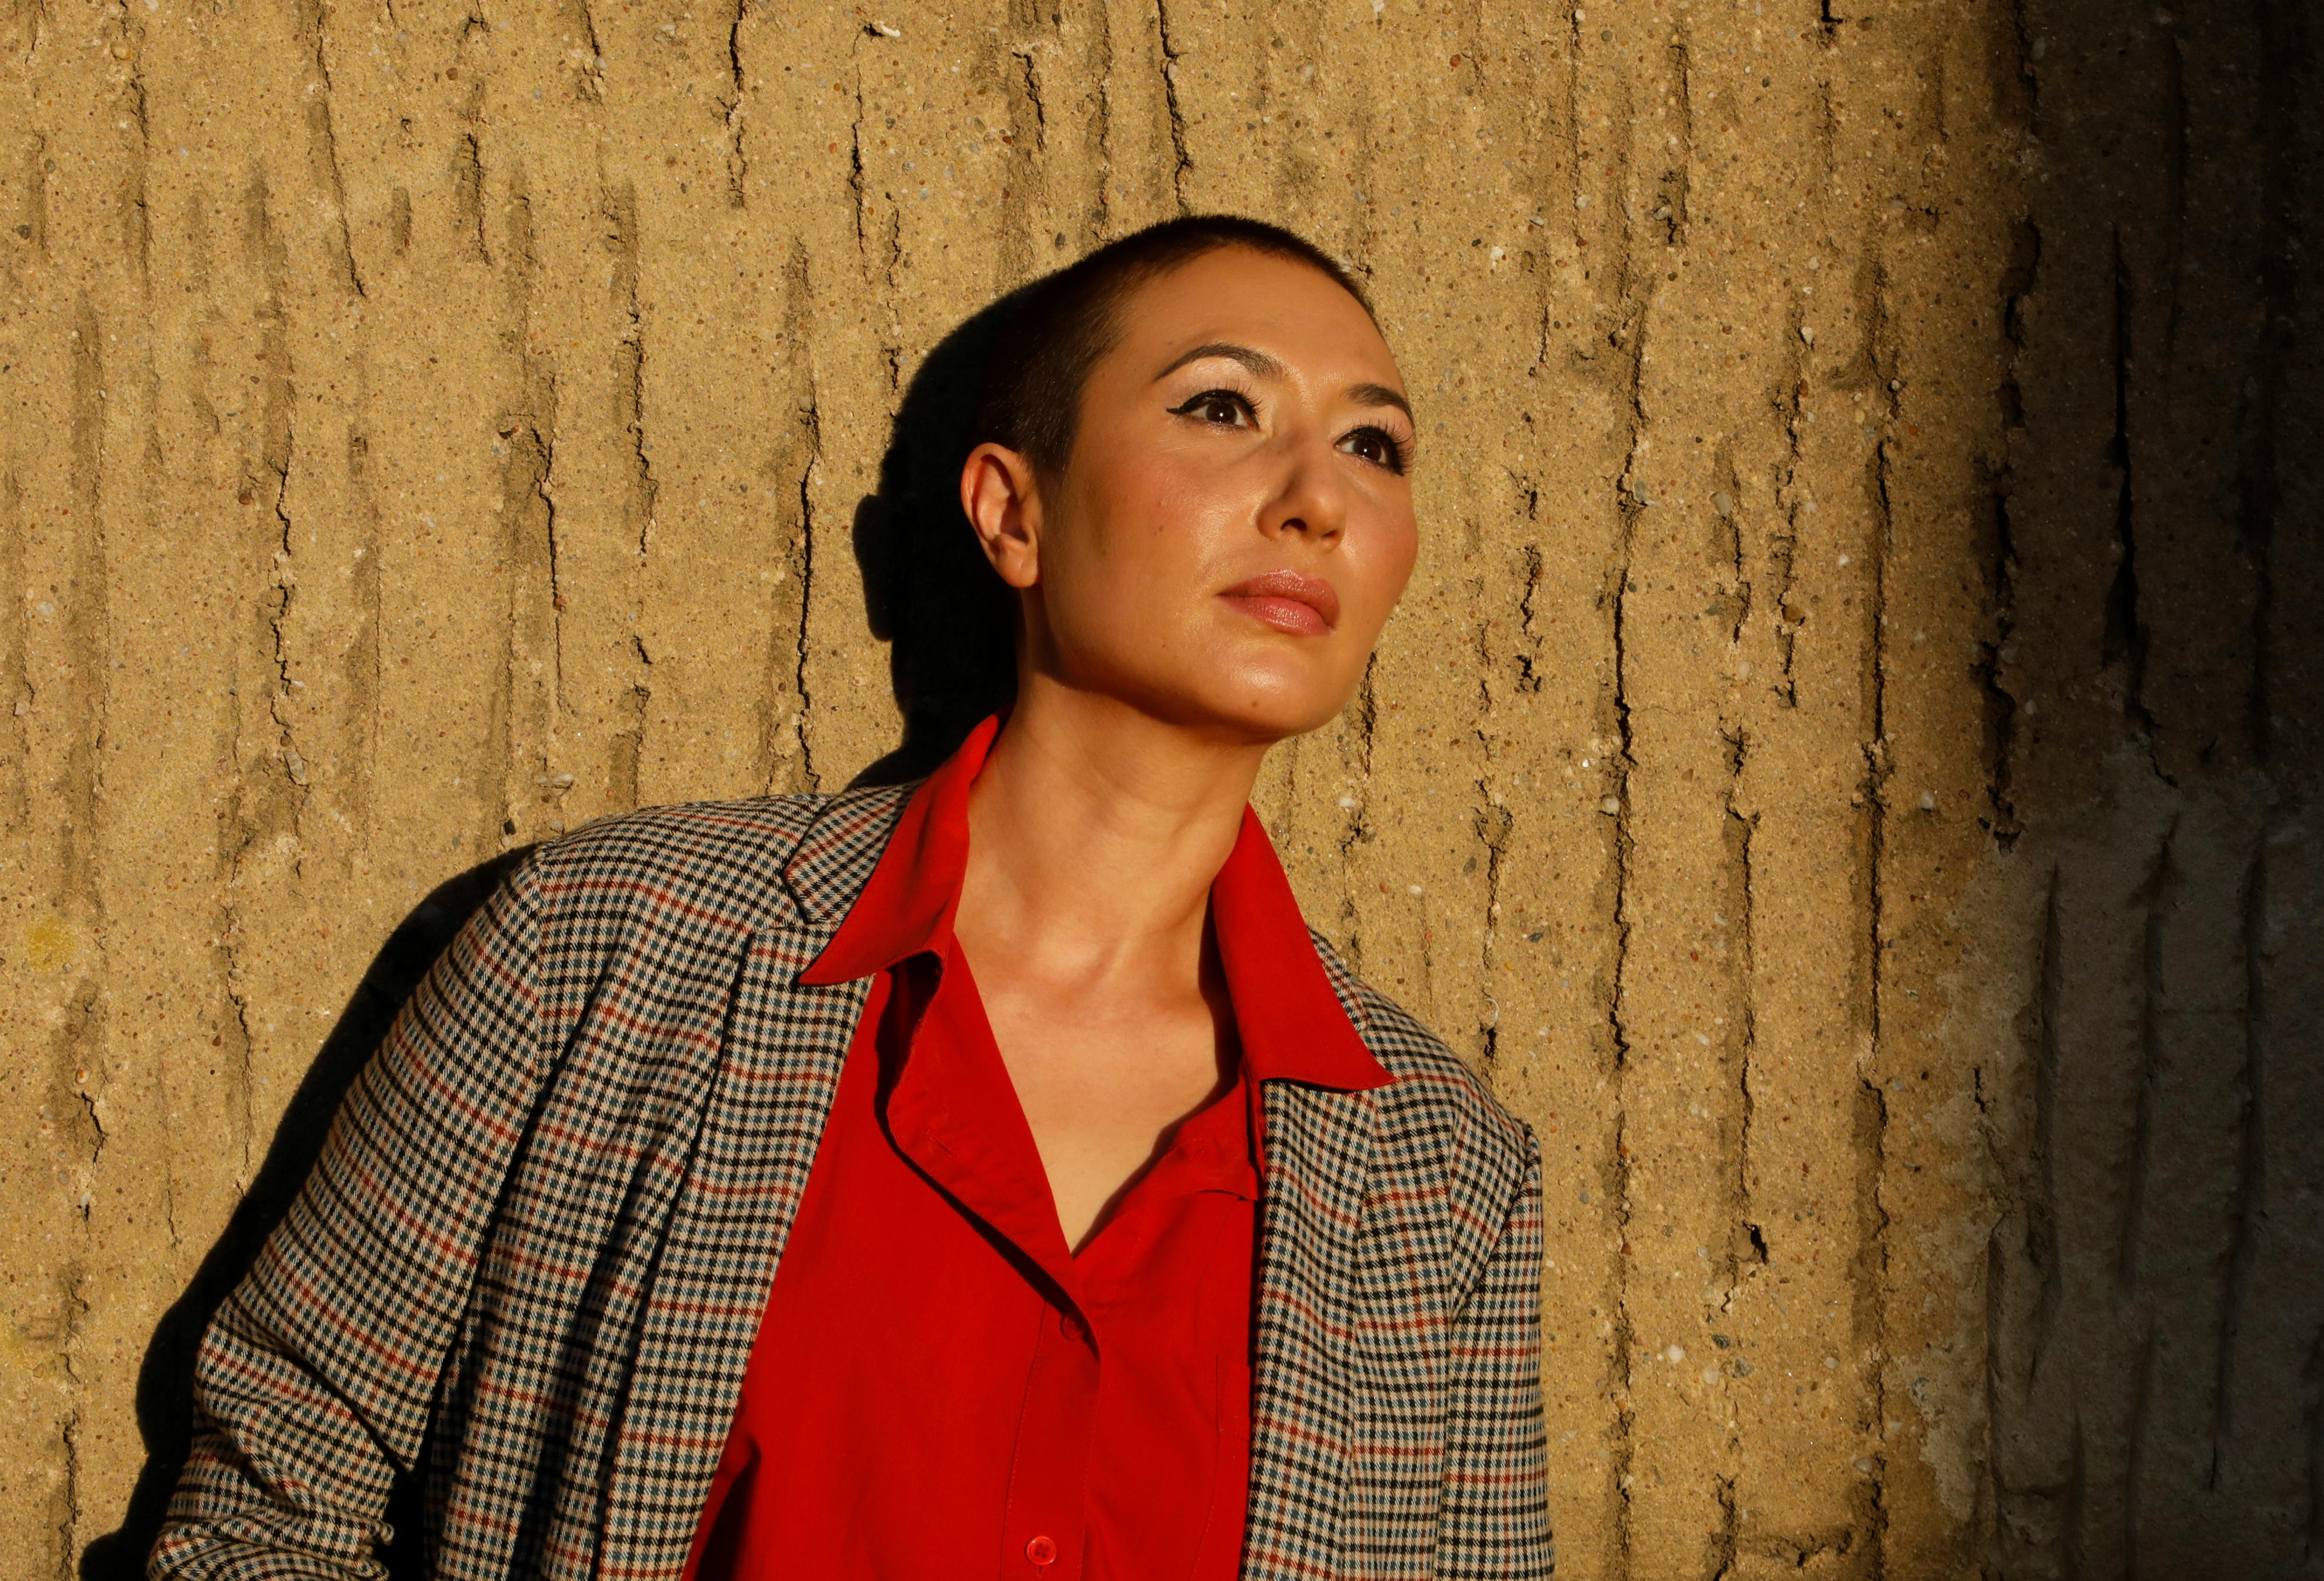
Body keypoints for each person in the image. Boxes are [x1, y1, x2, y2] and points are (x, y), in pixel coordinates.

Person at [151, 216, 1550, 1581]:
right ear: (1015, 511)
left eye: (1376, 446)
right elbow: (275, 1495)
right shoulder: (609, 949)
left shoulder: (1443, 1172)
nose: (1319, 494)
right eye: (1223, 407)